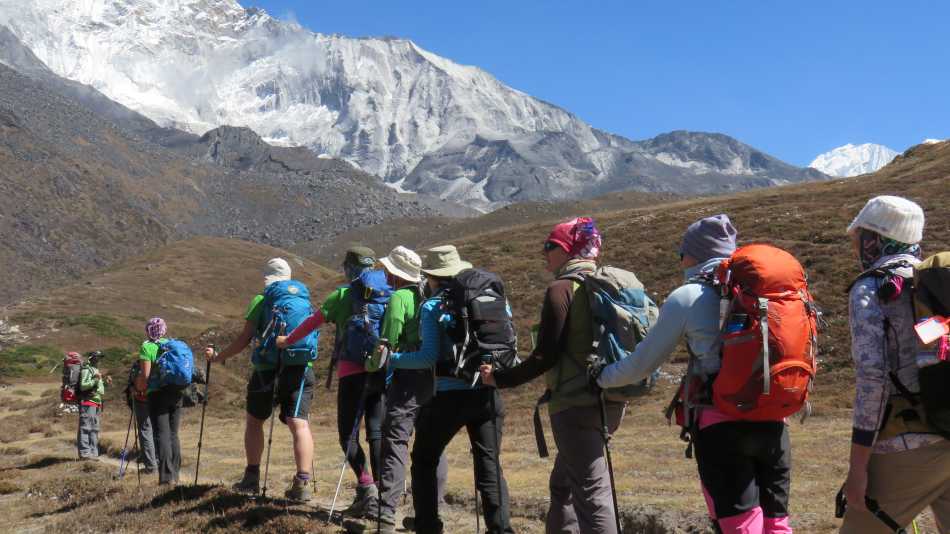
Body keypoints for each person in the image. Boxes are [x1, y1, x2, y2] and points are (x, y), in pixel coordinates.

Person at [592, 214, 793, 534]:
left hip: (722, 424)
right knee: (776, 523)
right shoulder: (762, 289)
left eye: (681, 252)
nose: (680, 259)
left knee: (740, 525)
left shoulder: (688, 297)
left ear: (695, 254)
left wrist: (601, 376)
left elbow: (643, 363)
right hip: (774, 418)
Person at [481, 217, 626, 534]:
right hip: (612, 399)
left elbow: (545, 355)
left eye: (550, 246)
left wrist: (499, 379)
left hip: (575, 404)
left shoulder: (562, 289)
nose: (544, 252)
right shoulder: (609, 285)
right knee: (563, 486)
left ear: (568, 249)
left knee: (590, 494)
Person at [840, 196, 950, 533]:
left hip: (909, 444)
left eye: (859, 237)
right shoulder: (936, 284)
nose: (856, 246)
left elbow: (873, 382)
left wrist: (857, 468)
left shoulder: (871, 289)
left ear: (874, 239)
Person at [386, 245, 514, 534]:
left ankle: (428, 526)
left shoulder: (433, 306)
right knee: (489, 463)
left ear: (431, 277)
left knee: (424, 459)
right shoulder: (495, 299)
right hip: (488, 390)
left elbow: (427, 357)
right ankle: (500, 529)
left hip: (449, 394)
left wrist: (391, 359)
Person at [343, 246, 449, 533]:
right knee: (432, 446)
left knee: (396, 442)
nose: (385, 273)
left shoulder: (399, 297)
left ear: (396, 274)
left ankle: (386, 513)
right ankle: (430, 511)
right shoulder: (430, 296)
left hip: (407, 380)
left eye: (389, 269)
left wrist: (370, 365)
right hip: (437, 379)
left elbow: (386, 343)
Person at [278, 245, 385, 515]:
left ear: (349, 269)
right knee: (376, 432)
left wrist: (287, 340)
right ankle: (385, 496)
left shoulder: (342, 296)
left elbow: (311, 323)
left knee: (347, 435)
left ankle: (366, 488)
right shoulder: (387, 294)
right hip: (383, 371)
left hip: (352, 372)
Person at [206, 258, 316, 501]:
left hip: (267, 369)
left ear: (268, 279)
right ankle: (302, 483)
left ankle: (252, 477)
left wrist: (218, 357)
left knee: (255, 422)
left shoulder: (262, 300)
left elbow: (244, 339)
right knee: (300, 424)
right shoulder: (304, 301)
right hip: (300, 368)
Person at [135, 318, 184, 485]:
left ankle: (166, 477)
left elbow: (146, 377)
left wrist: (138, 388)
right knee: (173, 434)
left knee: (161, 435)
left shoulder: (147, 346)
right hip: (176, 393)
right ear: (164, 329)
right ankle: (176, 475)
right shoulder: (172, 345)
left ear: (148, 331)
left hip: (157, 395)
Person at [77, 350, 111, 460]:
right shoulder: (87, 370)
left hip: (96, 402)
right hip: (88, 401)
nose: (99, 360)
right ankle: (85, 453)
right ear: (92, 359)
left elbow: (97, 387)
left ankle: (93, 453)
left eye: (100, 358)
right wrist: (95, 380)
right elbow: (83, 386)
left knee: (94, 429)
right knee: (86, 427)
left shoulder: (96, 370)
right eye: (97, 358)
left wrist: (105, 382)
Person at [125, 360, 157, 473]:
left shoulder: (143, 361)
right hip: (161, 400)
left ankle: (151, 466)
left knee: (145, 431)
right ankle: (163, 464)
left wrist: (135, 391)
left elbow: (138, 382)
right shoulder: (162, 356)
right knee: (161, 431)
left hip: (143, 400)